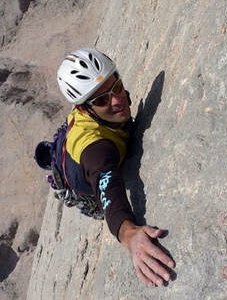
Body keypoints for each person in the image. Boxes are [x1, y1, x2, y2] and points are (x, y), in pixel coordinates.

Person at [56, 48, 174, 287]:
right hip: (82, 177)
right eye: (101, 100)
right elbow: (107, 187)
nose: (117, 100)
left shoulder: (106, 106)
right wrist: (129, 235)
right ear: (83, 109)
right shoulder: (95, 150)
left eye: (116, 86)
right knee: (94, 198)